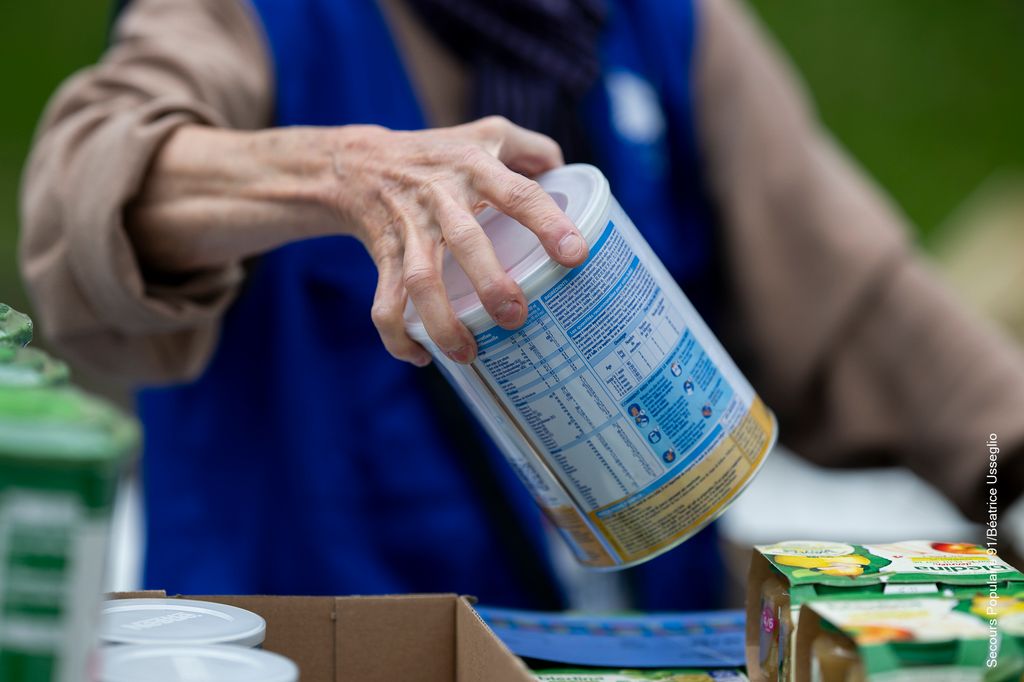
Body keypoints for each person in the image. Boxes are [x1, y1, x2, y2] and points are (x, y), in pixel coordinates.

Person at [19, 0, 1024, 610]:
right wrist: (334, 171)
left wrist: (1005, 475)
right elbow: (82, 192)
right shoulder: (249, 19)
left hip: (631, 640)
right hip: (331, 639)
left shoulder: (658, 26)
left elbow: (870, 314)